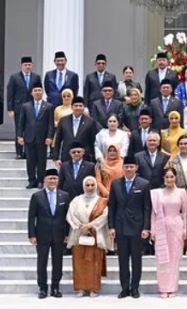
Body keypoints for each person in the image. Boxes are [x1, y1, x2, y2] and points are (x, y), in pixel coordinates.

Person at [108, 155, 151, 299]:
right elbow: (112, 207)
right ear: (123, 168)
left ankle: (135, 288)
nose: (129, 169)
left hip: (137, 227)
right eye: (126, 167)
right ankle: (124, 288)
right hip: (120, 226)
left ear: (136, 168)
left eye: (131, 167)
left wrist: (146, 228)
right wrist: (111, 226)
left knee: (136, 259)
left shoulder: (143, 184)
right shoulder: (115, 184)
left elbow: (146, 208)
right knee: (123, 259)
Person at [28, 169, 70, 299]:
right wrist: (32, 235)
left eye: (55, 178)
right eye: (50, 178)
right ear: (45, 180)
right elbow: (31, 217)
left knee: (58, 262)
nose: (52, 181)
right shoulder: (37, 196)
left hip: (59, 234)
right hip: (42, 234)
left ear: (58, 180)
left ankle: (55, 287)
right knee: (42, 262)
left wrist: (68, 234)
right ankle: (43, 288)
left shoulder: (64, 195)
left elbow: (67, 216)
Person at [66, 176, 109, 298]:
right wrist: (80, 226)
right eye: (87, 185)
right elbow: (70, 215)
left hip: (95, 235)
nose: (90, 188)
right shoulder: (76, 200)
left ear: (96, 186)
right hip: (78, 235)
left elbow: (104, 217)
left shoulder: (101, 201)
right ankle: (80, 288)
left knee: (94, 262)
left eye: (92, 185)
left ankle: (93, 289)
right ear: (83, 186)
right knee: (79, 263)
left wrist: (91, 225)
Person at [150, 168, 187, 298]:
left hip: (177, 226)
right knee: (162, 258)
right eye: (167, 177)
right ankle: (163, 287)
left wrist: (185, 229)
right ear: (163, 178)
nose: (169, 179)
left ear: (175, 178)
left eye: (172, 177)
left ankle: (172, 287)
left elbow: (185, 212)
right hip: (161, 226)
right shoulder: (158, 194)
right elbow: (154, 213)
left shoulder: (182, 192)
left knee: (174, 258)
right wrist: (153, 229)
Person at [17, 83, 54, 189]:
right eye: (35, 90)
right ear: (32, 93)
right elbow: (21, 122)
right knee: (30, 160)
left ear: (43, 92)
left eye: (39, 90)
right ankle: (31, 180)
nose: (37, 92)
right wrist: (20, 136)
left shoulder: (48, 106)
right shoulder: (26, 106)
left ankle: (40, 180)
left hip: (42, 138)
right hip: (29, 137)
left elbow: (50, 123)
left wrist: (50, 136)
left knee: (41, 160)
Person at [7, 56, 42, 158]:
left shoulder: (36, 77)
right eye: (26, 65)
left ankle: (28, 152)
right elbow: (10, 93)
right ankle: (19, 152)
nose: (28, 67)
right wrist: (10, 109)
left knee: (30, 129)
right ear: (21, 66)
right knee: (19, 129)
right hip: (18, 107)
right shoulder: (14, 77)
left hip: (32, 107)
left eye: (29, 65)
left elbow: (39, 91)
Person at [53, 96, 101, 163]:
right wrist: (56, 157)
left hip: (85, 158)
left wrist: (93, 159)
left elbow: (93, 141)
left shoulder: (90, 122)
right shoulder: (63, 120)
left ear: (84, 107)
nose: (78, 108)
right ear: (72, 107)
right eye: (76, 106)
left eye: (80, 106)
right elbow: (58, 139)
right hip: (67, 156)